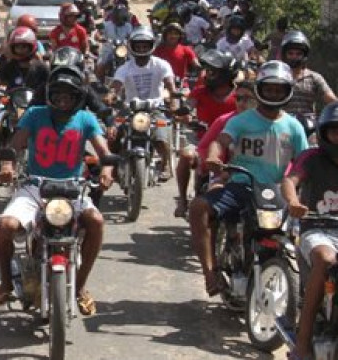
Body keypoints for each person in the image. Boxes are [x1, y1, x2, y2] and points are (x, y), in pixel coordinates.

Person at [0, 65, 114, 315]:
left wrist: (106, 170)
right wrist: (6, 164)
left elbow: (104, 152)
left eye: (68, 95)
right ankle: (5, 282)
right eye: (57, 94)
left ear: (78, 97)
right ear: (49, 95)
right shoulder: (35, 114)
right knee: (6, 226)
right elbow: (15, 145)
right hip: (36, 186)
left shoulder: (86, 119)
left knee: (96, 221)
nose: (62, 99)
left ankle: (80, 286)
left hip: (73, 188)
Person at [191, 61, 308, 296]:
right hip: (240, 186)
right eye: (269, 89)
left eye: (279, 89)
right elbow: (220, 141)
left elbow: (305, 162)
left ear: (287, 92)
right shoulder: (241, 121)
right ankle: (210, 273)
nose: (273, 94)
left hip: (277, 193)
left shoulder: (294, 127)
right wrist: (214, 157)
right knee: (198, 208)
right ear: (260, 90)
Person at [281, 102, 338, 360]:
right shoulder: (311, 157)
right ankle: (302, 345)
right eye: (335, 130)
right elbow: (290, 181)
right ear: (324, 132)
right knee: (326, 260)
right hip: (316, 228)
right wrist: (293, 202)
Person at [172, 49, 238, 218]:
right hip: (201, 139)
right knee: (186, 155)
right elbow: (188, 106)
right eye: (207, 71)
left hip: (233, 143)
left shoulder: (239, 96)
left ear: (225, 74)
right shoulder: (200, 92)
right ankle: (183, 200)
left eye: (212, 72)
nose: (207, 75)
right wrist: (184, 114)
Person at [0, 26, 48, 187]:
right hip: (10, 106)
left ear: (31, 47)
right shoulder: (9, 66)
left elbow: (52, 86)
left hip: (36, 108)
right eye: (18, 46)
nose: (21, 50)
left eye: (24, 46)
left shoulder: (41, 68)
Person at [110, 27, 176, 180]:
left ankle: (165, 164)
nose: (141, 49)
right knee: (113, 135)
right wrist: (111, 95)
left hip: (155, 108)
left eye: (145, 46)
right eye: (138, 46)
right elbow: (116, 85)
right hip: (129, 108)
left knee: (161, 138)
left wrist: (173, 99)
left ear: (151, 46)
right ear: (132, 47)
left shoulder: (161, 65)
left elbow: (170, 84)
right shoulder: (124, 68)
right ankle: (112, 164)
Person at [279, 30, 338, 119]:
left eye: (298, 54)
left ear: (304, 56)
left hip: (308, 127)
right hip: (282, 125)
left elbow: (331, 100)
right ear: (285, 55)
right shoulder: (278, 76)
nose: (294, 57)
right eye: (290, 53)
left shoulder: (314, 77)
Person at [94, 5, 134, 82]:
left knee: (135, 64)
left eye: (119, 15)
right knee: (100, 66)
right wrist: (100, 38)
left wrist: (130, 41)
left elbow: (131, 37)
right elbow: (98, 33)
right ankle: (99, 84)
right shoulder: (106, 24)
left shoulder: (128, 26)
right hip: (108, 50)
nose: (117, 17)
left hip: (123, 50)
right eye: (116, 15)